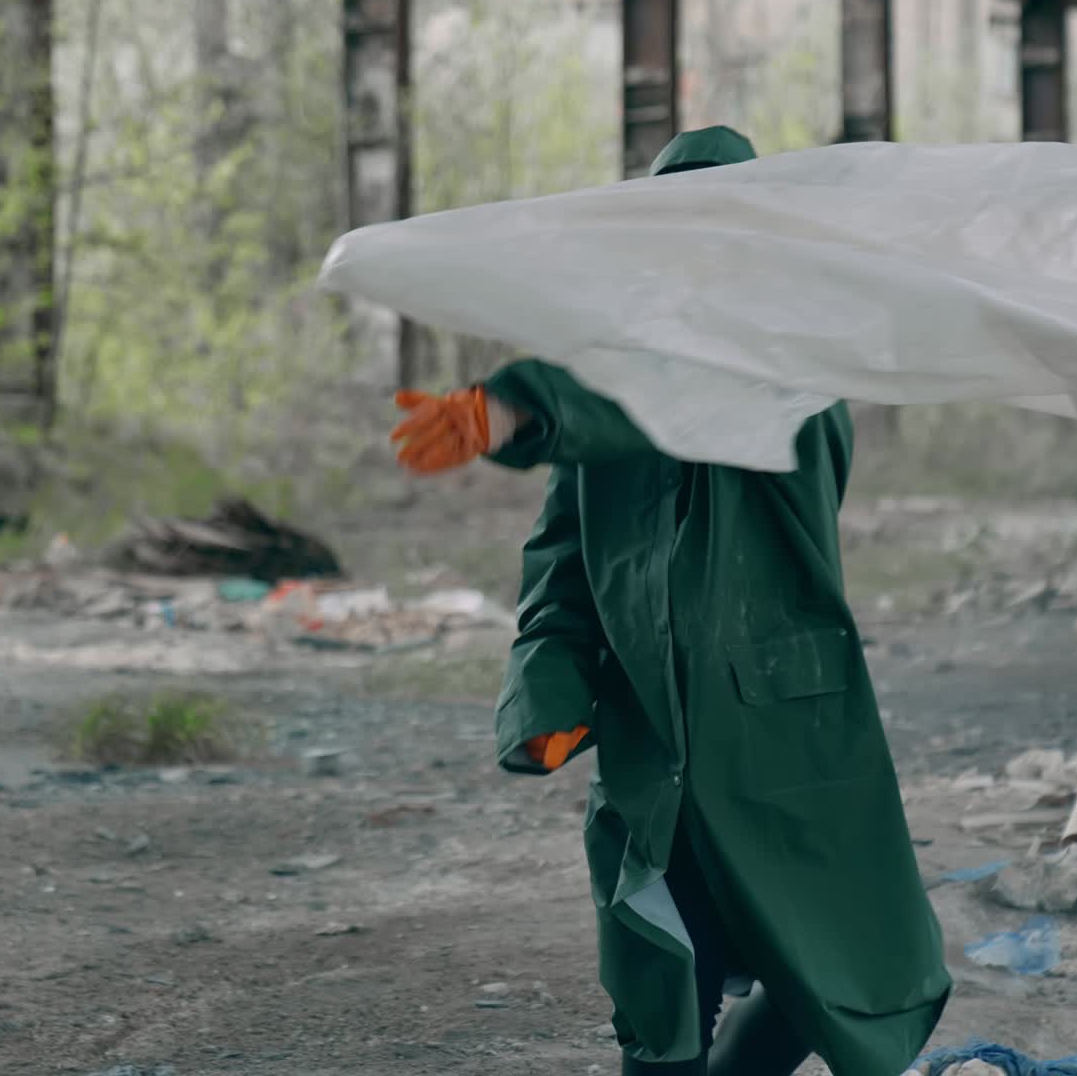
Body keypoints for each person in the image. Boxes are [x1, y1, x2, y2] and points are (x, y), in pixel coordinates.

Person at [389, 127, 951, 1076]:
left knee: (854, 966)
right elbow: (558, 573)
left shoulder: (795, 376)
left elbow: (694, 395)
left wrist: (518, 408)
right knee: (659, 978)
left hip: (782, 736)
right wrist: (548, 698)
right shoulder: (612, 389)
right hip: (651, 739)